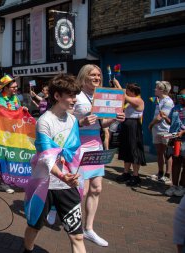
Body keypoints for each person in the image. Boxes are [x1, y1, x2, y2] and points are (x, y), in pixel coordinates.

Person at [23, 73, 85, 253]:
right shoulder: (44, 121)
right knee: (34, 226)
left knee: (77, 235)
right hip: (44, 185)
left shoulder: (73, 120)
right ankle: (27, 250)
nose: (75, 99)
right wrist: (63, 175)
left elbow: (73, 149)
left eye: (76, 95)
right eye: (71, 95)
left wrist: (71, 172)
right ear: (57, 96)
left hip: (67, 185)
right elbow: (46, 157)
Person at [73, 64, 125, 247]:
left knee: (96, 189)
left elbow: (102, 124)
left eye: (98, 75)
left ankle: (88, 229)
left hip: (96, 144)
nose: (97, 77)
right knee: (82, 190)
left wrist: (115, 119)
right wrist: (81, 121)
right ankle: (74, 225)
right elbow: (64, 121)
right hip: (78, 146)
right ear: (84, 77)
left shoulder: (100, 97)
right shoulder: (76, 96)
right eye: (93, 75)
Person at [113, 80, 147, 186]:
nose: (126, 91)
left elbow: (124, 95)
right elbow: (122, 93)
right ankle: (126, 173)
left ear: (132, 91)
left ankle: (136, 175)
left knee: (134, 150)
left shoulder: (138, 100)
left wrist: (117, 83)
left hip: (134, 127)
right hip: (126, 126)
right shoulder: (130, 99)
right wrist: (115, 85)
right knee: (126, 149)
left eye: (128, 90)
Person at [149, 81, 174, 184]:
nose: (155, 89)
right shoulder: (160, 100)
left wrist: (150, 124)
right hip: (157, 130)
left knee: (167, 154)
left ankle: (167, 175)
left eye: (157, 88)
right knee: (159, 152)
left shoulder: (168, 101)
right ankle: (160, 173)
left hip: (165, 130)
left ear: (162, 90)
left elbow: (160, 117)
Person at [163, 90, 185, 197]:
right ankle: (174, 185)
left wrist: (183, 132)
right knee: (176, 162)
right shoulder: (175, 108)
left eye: (182, 96)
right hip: (175, 139)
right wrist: (165, 117)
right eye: (179, 95)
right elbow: (170, 121)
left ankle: (182, 186)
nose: (180, 98)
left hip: (184, 140)